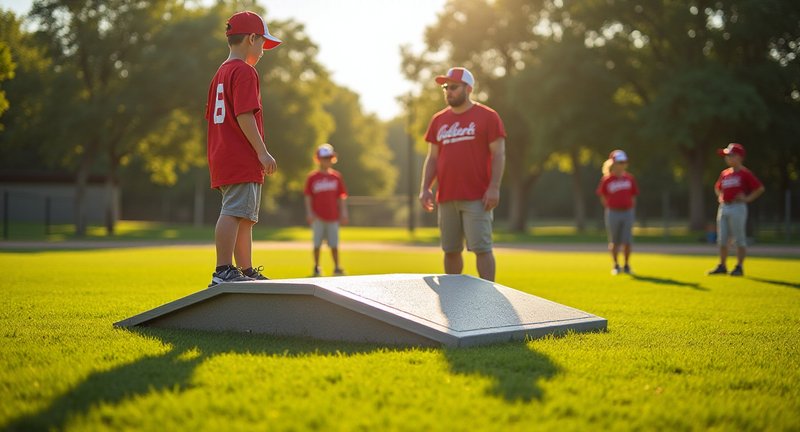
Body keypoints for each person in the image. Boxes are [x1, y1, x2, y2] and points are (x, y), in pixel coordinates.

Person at [205, 11, 282, 287]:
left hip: (223, 153)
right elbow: (244, 114)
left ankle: (245, 269)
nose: (263, 50)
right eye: (262, 43)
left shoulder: (221, 72)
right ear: (251, 39)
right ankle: (223, 269)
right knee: (234, 211)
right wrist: (262, 151)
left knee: (245, 217)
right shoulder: (244, 71)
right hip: (240, 154)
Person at [419, 67, 506, 282]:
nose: (448, 91)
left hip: (477, 196)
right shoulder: (439, 119)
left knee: (482, 249)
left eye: (453, 87)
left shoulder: (488, 116)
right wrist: (425, 187)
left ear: (468, 88)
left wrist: (494, 186)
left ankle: (488, 295)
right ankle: (454, 296)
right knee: (450, 250)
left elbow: (499, 154)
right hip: (447, 195)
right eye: (445, 87)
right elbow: (432, 158)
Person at [707, 143, 764, 277]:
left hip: (738, 207)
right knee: (722, 239)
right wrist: (721, 195)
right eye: (727, 156)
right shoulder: (725, 173)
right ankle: (722, 265)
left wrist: (748, 199)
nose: (728, 158)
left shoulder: (745, 173)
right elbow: (717, 187)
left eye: (731, 155)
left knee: (739, 239)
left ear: (739, 157)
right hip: (724, 206)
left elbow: (760, 188)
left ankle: (739, 266)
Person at [304, 144, 349, 277]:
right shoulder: (312, 177)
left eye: (329, 158)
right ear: (318, 159)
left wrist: (344, 212)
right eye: (324, 158)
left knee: (334, 244)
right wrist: (309, 213)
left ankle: (336, 267)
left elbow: (341, 197)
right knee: (317, 244)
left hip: (333, 216)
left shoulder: (336, 176)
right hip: (318, 216)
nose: (327, 161)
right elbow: (308, 196)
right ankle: (316, 267)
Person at [596, 150, 639, 275]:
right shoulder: (607, 180)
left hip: (628, 212)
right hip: (613, 212)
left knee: (627, 241)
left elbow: (633, 196)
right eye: (620, 162)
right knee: (615, 241)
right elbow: (602, 196)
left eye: (624, 162)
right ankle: (616, 265)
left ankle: (626, 265)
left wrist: (629, 207)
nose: (623, 164)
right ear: (613, 163)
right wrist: (610, 207)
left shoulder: (629, 178)